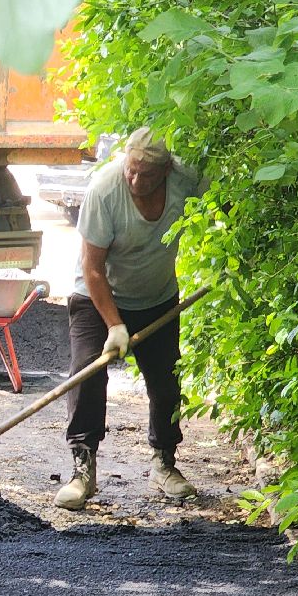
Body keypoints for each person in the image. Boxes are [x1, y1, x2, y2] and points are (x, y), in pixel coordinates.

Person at [53, 128, 204, 510]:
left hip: (156, 298)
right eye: (131, 171)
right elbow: (92, 268)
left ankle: (164, 463)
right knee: (87, 372)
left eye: (146, 175)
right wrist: (115, 325)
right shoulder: (105, 191)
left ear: (167, 170)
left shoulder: (186, 180)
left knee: (166, 382)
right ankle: (82, 467)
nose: (135, 180)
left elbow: (227, 204)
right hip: (96, 296)